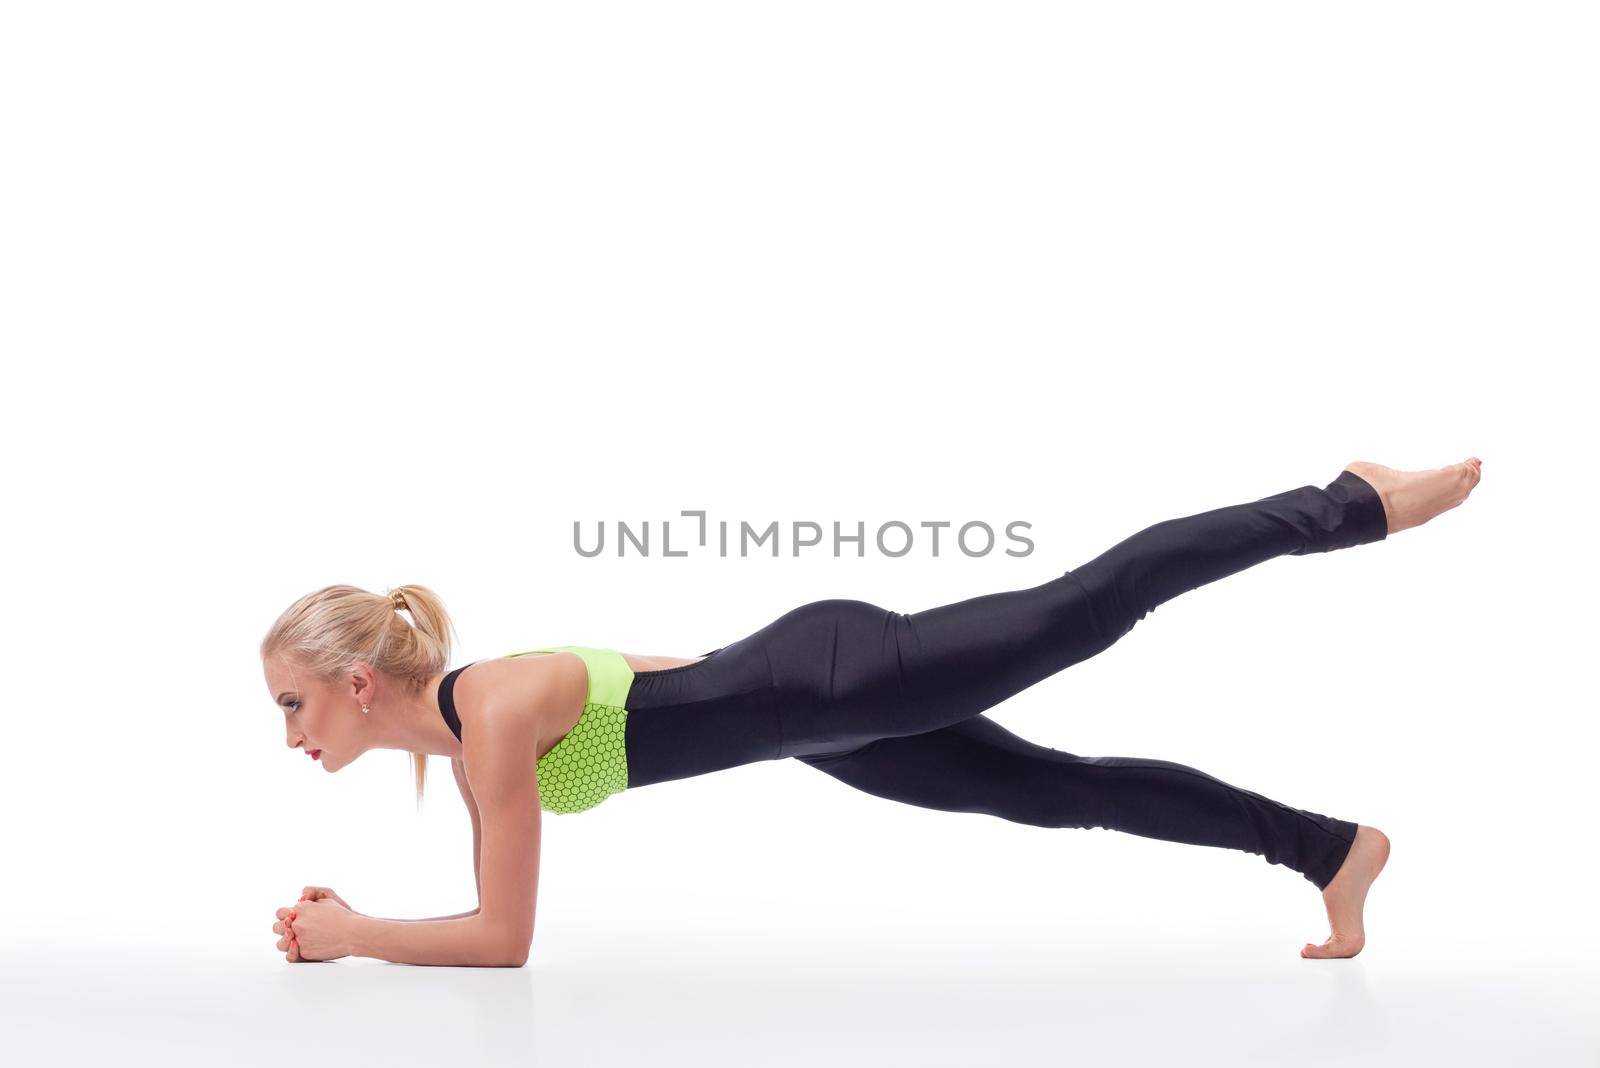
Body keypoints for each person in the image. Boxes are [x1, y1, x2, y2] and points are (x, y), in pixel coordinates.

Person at [263, 457, 1482, 967]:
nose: (290, 732)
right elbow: (671, 681)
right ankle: (1330, 850)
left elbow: (504, 942)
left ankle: (1350, 503)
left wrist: (355, 934)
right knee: (1067, 795)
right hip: (819, 722)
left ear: (357, 683)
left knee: (1087, 605)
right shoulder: (479, 744)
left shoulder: (497, 715)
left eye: (293, 703)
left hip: (831, 684)